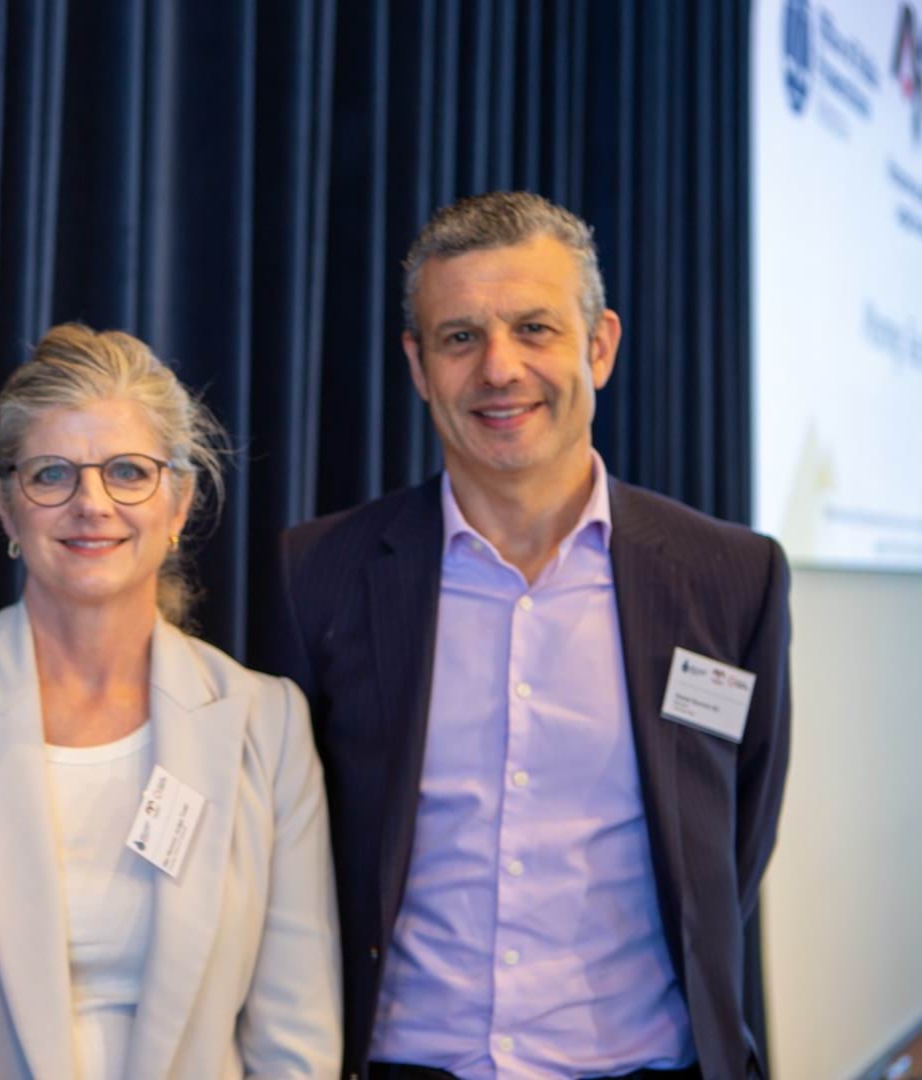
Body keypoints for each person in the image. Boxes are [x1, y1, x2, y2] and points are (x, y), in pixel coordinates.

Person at [261, 192, 790, 1080]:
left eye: (534, 329)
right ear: (419, 367)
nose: (499, 369)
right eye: (460, 338)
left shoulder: (732, 578)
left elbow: (733, 840)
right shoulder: (316, 575)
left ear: (601, 345)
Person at [0, 324, 341, 1079]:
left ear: (177, 502)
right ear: (6, 508)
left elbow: (296, 1039)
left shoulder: (263, 722)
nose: (92, 503)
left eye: (127, 472)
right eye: (52, 475)